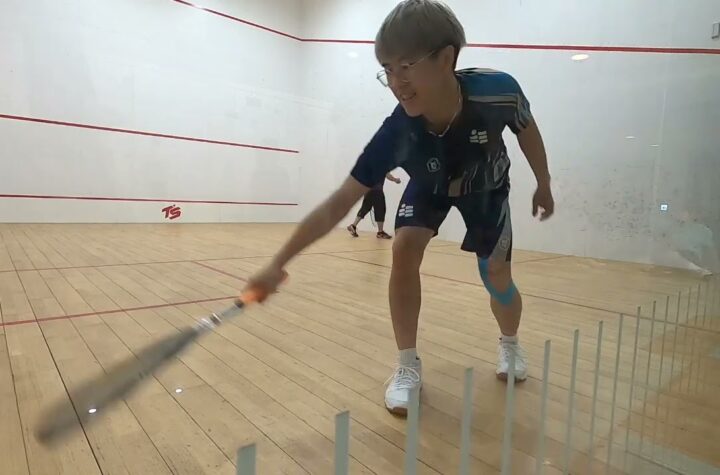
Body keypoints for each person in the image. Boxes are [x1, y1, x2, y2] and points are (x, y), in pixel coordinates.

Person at [245, 0, 555, 416]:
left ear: (446, 59)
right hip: (428, 186)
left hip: (486, 189)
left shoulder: (498, 91)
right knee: (403, 248)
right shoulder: (397, 132)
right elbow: (339, 203)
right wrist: (277, 263)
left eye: (406, 66)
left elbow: (526, 129)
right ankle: (408, 365)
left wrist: (543, 183)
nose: (396, 82)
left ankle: (510, 343)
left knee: (497, 273)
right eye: (387, 69)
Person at [347, 172, 402, 239]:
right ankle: (380, 232)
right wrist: (395, 180)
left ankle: (353, 226)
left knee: (365, 208)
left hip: (367, 190)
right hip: (377, 191)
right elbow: (387, 174)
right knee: (380, 210)